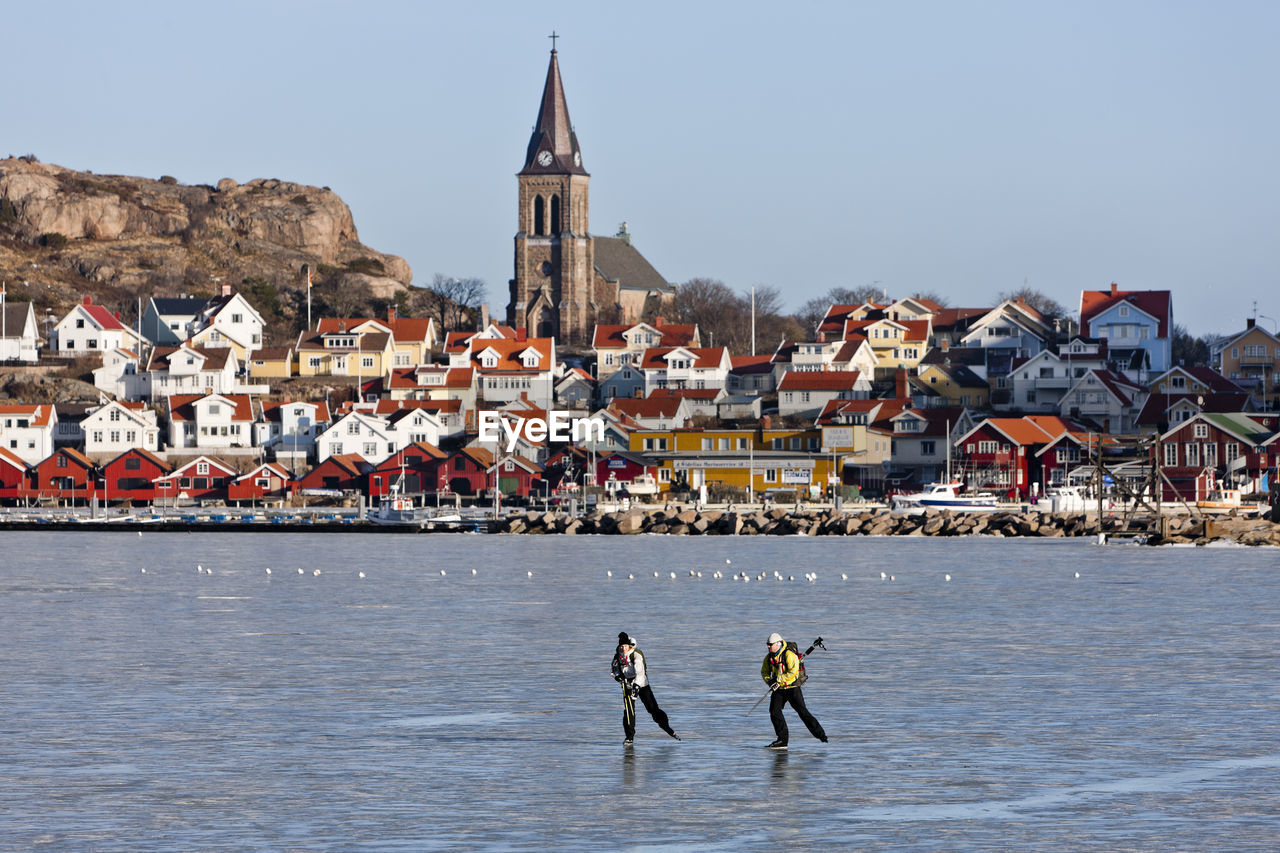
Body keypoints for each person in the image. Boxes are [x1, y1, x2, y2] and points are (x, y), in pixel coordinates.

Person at [761, 632, 827, 749]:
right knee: (774, 712)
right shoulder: (768, 658)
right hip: (779, 689)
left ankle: (821, 735)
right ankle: (782, 740)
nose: (768, 646)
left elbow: (793, 673)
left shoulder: (789, 655)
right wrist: (770, 682)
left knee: (802, 712)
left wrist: (779, 680)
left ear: (778, 643)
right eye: (767, 644)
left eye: (770, 644)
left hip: (793, 688)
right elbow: (764, 672)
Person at [611, 632, 680, 745]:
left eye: (625, 646)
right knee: (629, 711)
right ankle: (629, 737)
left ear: (629, 646)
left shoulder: (636, 655)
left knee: (653, 709)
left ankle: (666, 727)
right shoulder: (617, 655)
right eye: (621, 646)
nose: (623, 648)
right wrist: (617, 676)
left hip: (642, 684)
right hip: (627, 684)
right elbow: (614, 668)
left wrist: (637, 686)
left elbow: (640, 672)